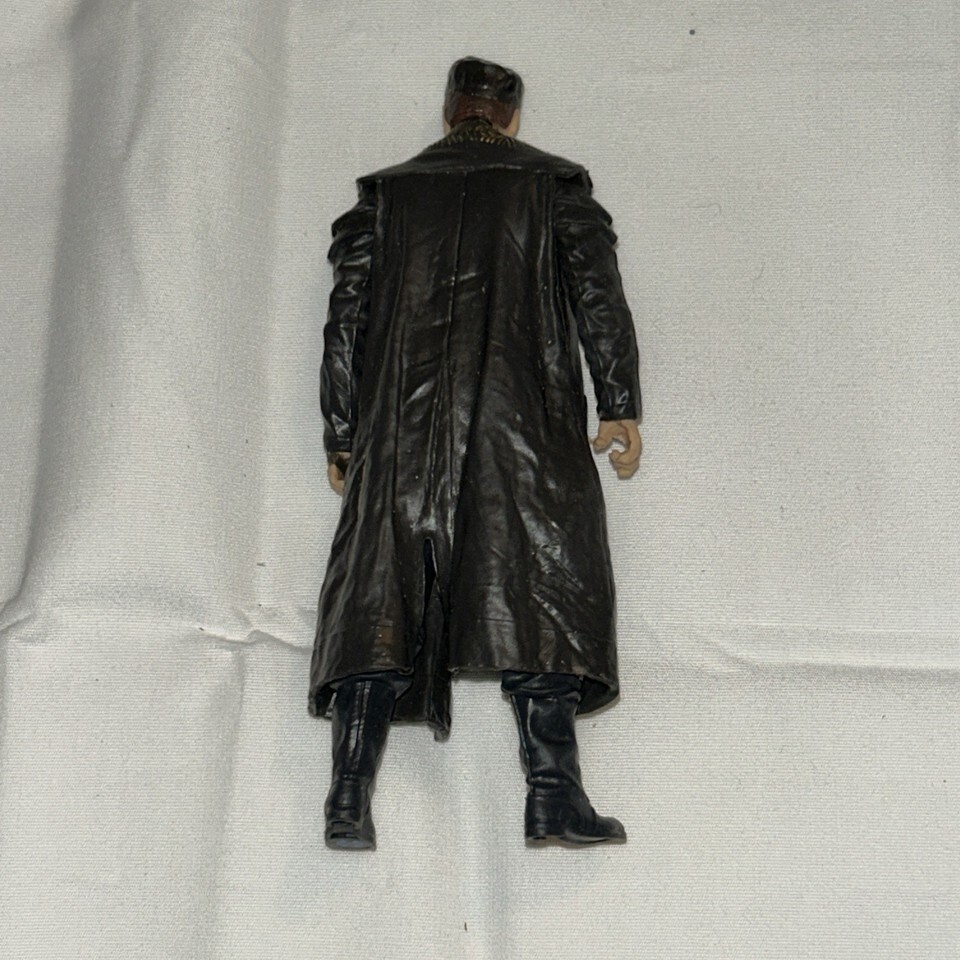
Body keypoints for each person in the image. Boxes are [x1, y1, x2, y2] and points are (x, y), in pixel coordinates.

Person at [310, 57, 642, 849]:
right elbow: (598, 296)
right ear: (512, 116)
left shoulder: (386, 196)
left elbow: (345, 322)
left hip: (401, 432)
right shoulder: (554, 187)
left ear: (449, 111)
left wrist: (342, 431)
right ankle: (553, 795)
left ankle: (347, 798)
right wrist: (619, 402)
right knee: (546, 587)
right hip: (524, 426)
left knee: (377, 598)